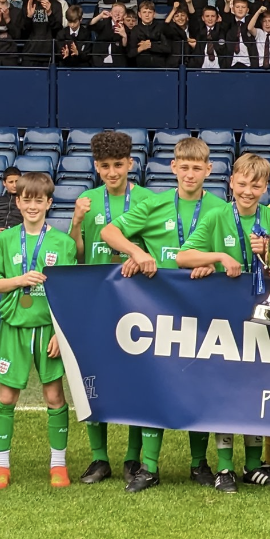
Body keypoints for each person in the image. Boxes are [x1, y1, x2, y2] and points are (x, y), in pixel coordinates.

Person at [100, 136, 225, 491]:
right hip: (159, 310)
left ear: (209, 170)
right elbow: (110, 231)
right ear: (173, 167)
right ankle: (149, 466)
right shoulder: (155, 205)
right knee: (157, 384)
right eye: (183, 167)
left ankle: (199, 464)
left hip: (202, 309)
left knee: (198, 384)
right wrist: (135, 252)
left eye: (197, 167)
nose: (190, 173)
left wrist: (211, 266)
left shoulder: (219, 208)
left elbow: (225, 256)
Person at [177, 153, 270, 493]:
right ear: (231, 183)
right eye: (242, 183)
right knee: (226, 389)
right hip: (223, 317)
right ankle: (224, 467)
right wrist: (218, 258)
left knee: (255, 388)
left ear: (266, 187)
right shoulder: (215, 216)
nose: (248, 191)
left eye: (256, 185)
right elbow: (183, 256)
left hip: (260, 316)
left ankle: (253, 465)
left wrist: (268, 252)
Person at [0, 172, 76, 489]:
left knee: (54, 395)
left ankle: (59, 465)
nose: (32, 205)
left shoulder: (63, 244)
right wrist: (20, 280)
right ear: (18, 201)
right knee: (6, 396)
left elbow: (69, 294)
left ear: (49, 203)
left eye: (39, 200)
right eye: (27, 199)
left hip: (48, 330)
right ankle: (1, 466)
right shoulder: (5, 240)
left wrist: (60, 333)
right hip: (14, 328)